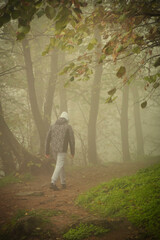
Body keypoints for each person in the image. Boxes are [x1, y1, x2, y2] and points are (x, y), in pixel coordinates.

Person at [45, 112, 75, 191]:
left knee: (60, 165)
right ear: (67, 120)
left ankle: (63, 183)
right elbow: (72, 141)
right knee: (59, 164)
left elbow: (47, 139)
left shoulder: (52, 126)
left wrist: (47, 151)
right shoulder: (68, 127)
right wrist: (72, 152)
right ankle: (53, 182)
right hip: (62, 149)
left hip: (54, 149)